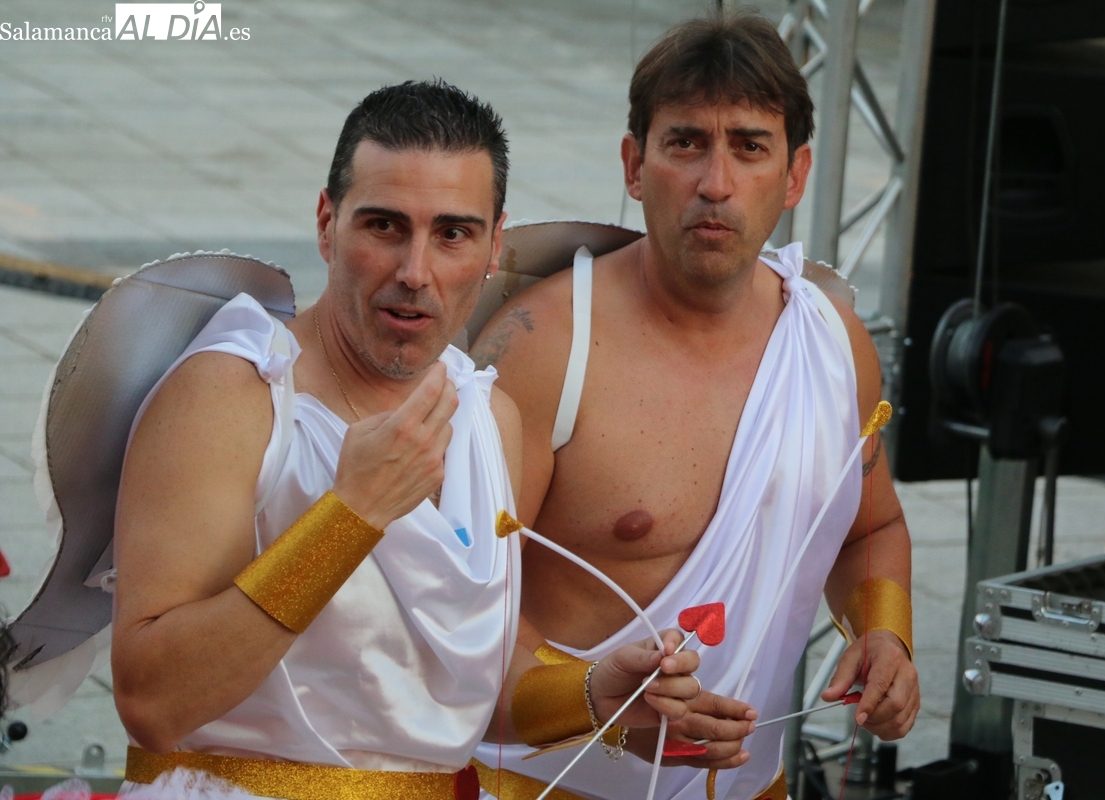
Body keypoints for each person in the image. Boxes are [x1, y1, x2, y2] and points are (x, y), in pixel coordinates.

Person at [109, 80, 701, 800]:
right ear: (327, 224)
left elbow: (452, 695)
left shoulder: (490, 417)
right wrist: (348, 517)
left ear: (493, 246)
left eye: (452, 234)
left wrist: (592, 693)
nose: (415, 272)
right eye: (384, 226)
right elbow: (152, 702)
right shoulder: (235, 396)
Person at [471, 13, 919, 799]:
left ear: (796, 175)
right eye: (685, 143)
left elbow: (870, 528)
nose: (716, 183)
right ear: (634, 165)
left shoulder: (832, 344)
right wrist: (605, 707)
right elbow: (456, 612)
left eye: (749, 146)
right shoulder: (544, 353)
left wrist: (885, 633)